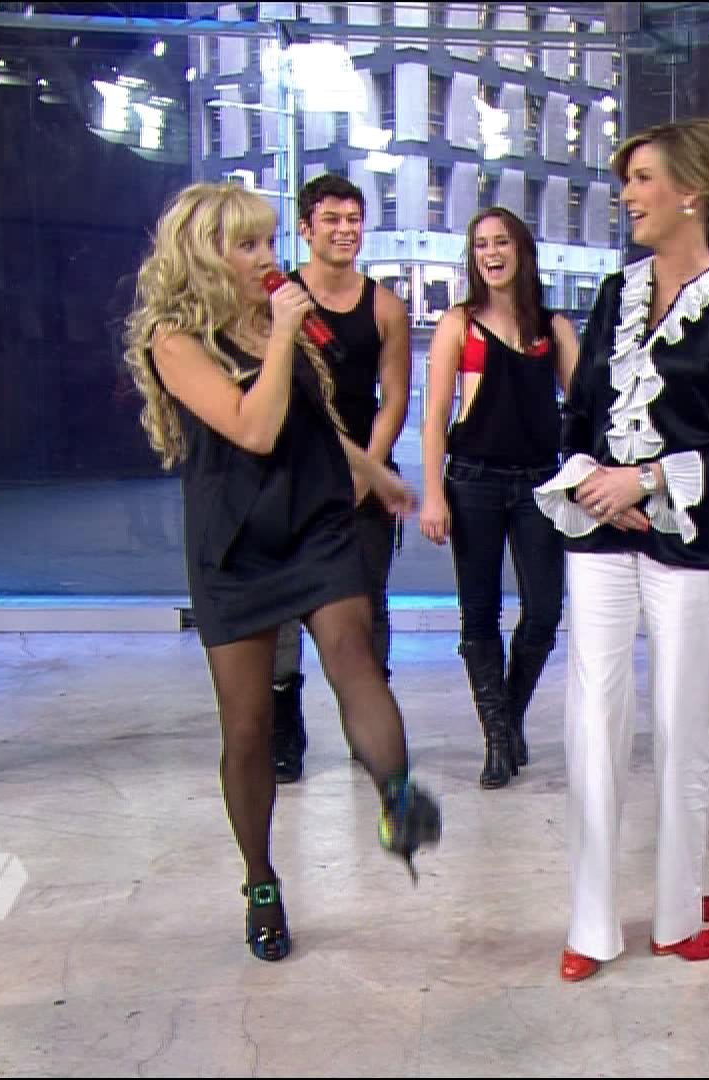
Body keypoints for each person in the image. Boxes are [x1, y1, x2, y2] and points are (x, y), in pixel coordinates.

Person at [122, 182, 439, 963]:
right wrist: (283, 334)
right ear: (205, 256)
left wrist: (374, 471)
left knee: (354, 654)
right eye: (249, 245)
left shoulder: (272, 318)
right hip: (236, 538)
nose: (269, 257)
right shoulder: (173, 338)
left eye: (269, 241)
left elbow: (308, 424)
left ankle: (397, 798)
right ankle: (261, 880)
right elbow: (254, 429)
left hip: (314, 519)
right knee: (249, 724)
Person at [533, 117, 709, 982]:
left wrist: (649, 483)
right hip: (600, 533)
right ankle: (590, 926)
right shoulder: (617, 292)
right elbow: (578, 414)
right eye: (627, 179)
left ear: (692, 192)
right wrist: (594, 482)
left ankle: (678, 916)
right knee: (592, 724)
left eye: (642, 179)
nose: (627, 195)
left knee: (683, 732)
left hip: (695, 541)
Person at [419, 207, 579, 788]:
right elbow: (436, 418)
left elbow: (582, 411)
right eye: (481, 244)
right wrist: (432, 494)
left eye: (502, 242)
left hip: (540, 483)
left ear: (522, 250)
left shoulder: (554, 329)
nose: (491, 253)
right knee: (480, 613)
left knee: (545, 612)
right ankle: (496, 740)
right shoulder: (458, 325)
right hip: (474, 482)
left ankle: (509, 718)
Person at [265, 175, 413, 785]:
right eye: (332, 219)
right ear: (306, 228)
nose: (345, 230)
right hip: (292, 476)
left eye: (353, 219)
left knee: (367, 603)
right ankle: (284, 722)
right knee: (282, 604)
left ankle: (369, 721)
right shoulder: (280, 300)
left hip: (365, 480)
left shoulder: (385, 306)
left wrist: (369, 471)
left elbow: (395, 398)